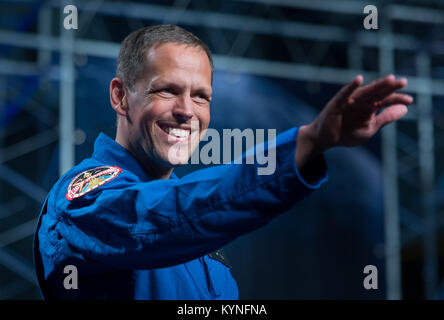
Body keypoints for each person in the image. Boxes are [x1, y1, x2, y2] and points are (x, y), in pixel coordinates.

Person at [33, 24, 413, 300]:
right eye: (167, 90)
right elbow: (163, 218)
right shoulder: (81, 199)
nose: (187, 111)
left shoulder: (197, 237)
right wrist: (307, 144)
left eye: (201, 97)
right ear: (120, 97)